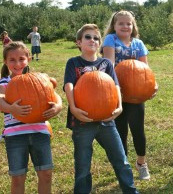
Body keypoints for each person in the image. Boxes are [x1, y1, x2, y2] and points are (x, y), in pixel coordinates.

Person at [63, 23, 139, 194]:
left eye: (96, 38)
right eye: (88, 37)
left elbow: (115, 87)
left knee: (121, 160)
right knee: (83, 165)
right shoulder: (73, 63)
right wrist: (74, 109)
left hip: (107, 121)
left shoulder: (106, 64)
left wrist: (119, 106)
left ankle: (131, 191)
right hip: (83, 121)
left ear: (100, 43)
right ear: (79, 42)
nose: (92, 40)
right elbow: (69, 86)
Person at [0, 41, 62, 194]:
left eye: (21, 59)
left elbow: (56, 96)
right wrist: (11, 108)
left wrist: (57, 106)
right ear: (5, 61)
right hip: (15, 136)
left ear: (28, 59)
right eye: (12, 60)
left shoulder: (39, 79)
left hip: (40, 132)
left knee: (46, 174)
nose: (17, 63)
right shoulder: (4, 82)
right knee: (18, 178)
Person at [102, 10, 158, 180]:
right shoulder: (111, 40)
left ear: (133, 26)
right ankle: (123, 165)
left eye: (129, 23)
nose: (125, 26)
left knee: (138, 129)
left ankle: (141, 163)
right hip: (116, 92)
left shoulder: (139, 44)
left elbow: (145, 70)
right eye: (121, 23)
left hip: (136, 93)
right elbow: (110, 64)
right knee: (120, 131)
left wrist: (153, 84)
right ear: (114, 26)